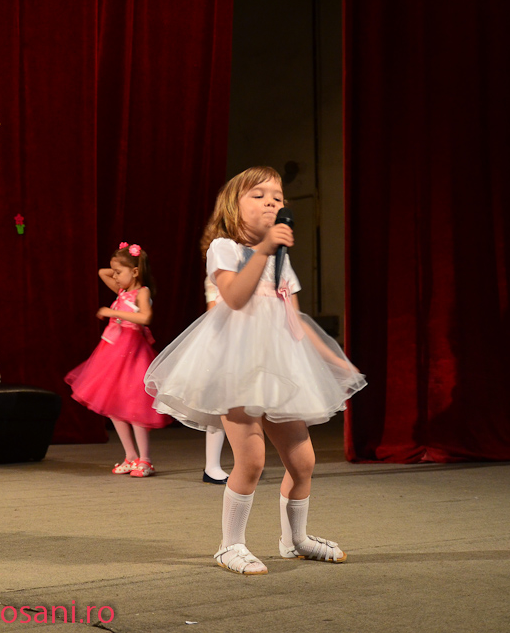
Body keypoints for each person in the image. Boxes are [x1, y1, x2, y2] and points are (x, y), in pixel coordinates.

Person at [144, 166, 366, 574]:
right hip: (235, 365)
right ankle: (230, 545)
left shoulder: (281, 259)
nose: (271, 202)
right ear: (233, 205)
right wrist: (263, 249)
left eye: (277, 197)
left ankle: (295, 539)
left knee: (303, 461)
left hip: (278, 367)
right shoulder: (225, 248)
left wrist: (335, 360)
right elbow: (234, 297)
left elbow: (295, 319)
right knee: (251, 459)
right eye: (259, 195)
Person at [65, 242, 170, 478]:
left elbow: (145, 317)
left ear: (135, 271)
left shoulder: (141, 292)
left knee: (134, 406)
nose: (114, 277)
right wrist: (118, 268)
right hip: (112, 353)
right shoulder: (122, 290)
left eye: (119, 272)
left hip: (133, 353)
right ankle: (130, 456)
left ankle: (145, 460)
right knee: (113, 406)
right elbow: (102, 272)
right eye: (115, 272)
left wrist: (113, 312)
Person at [201, 276, 230, 485]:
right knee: (220, 402)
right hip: (224, 341)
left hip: (250, 340)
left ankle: (250, 461)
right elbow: (213, 310)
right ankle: (212, 465)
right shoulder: (217, 275)